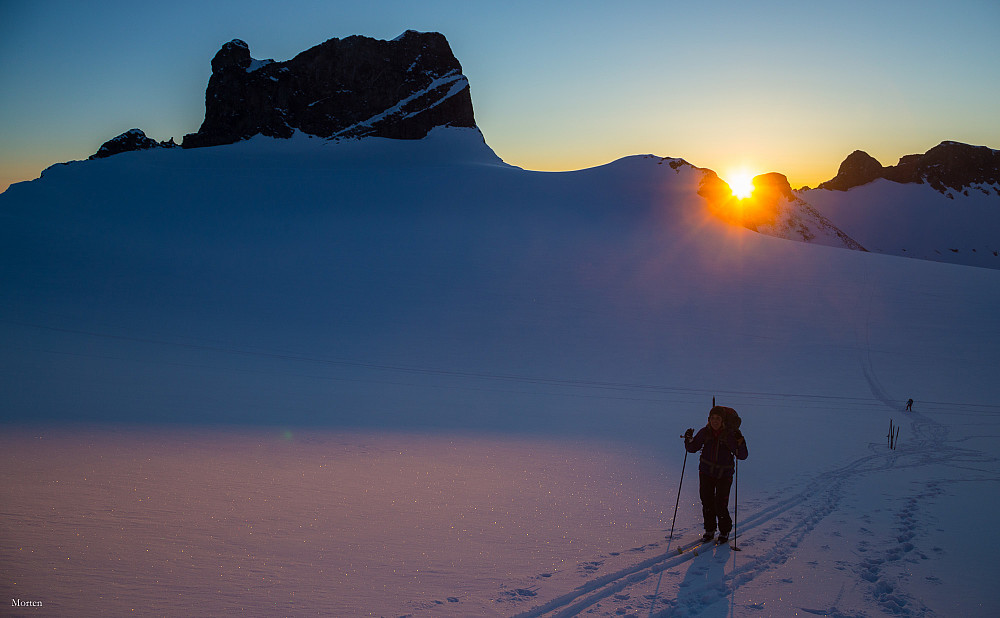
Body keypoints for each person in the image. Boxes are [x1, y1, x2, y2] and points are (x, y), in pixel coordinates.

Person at [685, 407, 748, 543]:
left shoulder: (729, 435)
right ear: (709, 419)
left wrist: (740, 442)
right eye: (712, 418)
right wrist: (688, 439)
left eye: (718, 418)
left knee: (720, 503)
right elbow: (692, 448)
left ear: (722, 420)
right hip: (706, 473)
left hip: (724, 474)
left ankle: (724, 531)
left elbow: (742, 455)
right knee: (707, 501)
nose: (715, 421)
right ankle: (710, 530)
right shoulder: (705, 432)